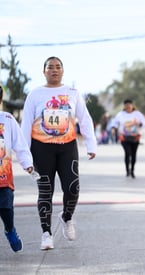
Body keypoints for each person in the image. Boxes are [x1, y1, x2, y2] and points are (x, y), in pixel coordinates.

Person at [21, 56, 97, 250]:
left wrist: (91, 145)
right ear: (44, 71)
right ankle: (46, 233)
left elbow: (85, 119)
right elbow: (26, 125)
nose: (54, 70)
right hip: (41, 148)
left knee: (72, 188)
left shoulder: (72, 92)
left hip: (67, 147)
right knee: (45, 191)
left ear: (63, 71)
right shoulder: (35, 94)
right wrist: (25, 156)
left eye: (58, 67)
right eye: (50, 67)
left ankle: (66, 217)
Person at [0, 86, 35, 253]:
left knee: (5, 208)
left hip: (3, 176)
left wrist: (26, 162)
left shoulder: (7, 119)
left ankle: (9, 229)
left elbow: (19, 144)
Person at [111, 99, 145, 178]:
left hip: (135, 137)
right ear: (124, 107)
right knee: (128, 153)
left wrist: (138, 123)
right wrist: (113, 128)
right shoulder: (121, 114)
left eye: (129, 105)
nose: (128, 107)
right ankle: (127, 170)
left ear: (132, 106)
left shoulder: (137, 114)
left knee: (133, 154)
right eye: (126, 106)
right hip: (124, 137)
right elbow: (115, 122)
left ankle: (132, 171)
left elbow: (143, 123)